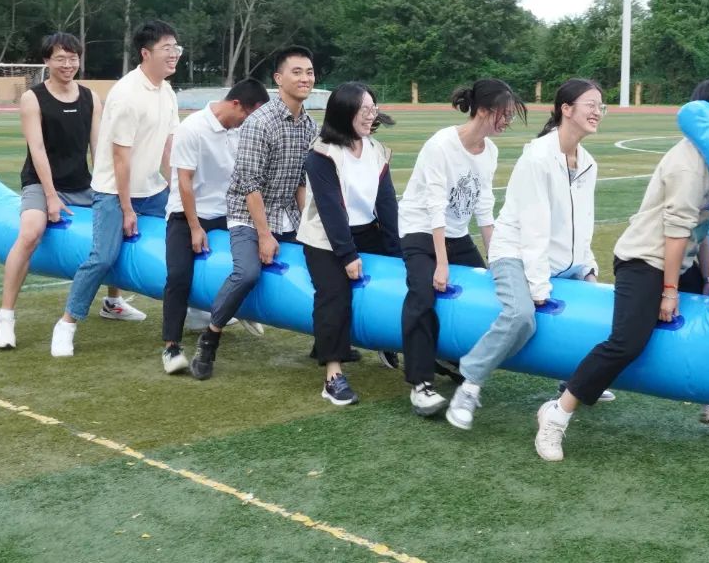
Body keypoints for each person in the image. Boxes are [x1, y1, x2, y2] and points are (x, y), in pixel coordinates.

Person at [534, 71, 709, 462]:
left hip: (681, 258)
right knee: (628, 341)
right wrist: (670, 291)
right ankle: (557, 413)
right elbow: (676, 231)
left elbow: (704, 226)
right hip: (644, 260)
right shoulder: (687, 163)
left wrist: (708, 278)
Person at [445, 78, 604, 430]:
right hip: (515, 253)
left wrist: (587, 267)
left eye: (600, 106)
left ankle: (575, 380)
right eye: (591, 105)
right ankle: (469, 384)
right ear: (566, 109)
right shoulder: (538, 157)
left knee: (596, 311)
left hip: (560, 260)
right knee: (521, 316)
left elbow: (584, 221)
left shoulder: (588, 162)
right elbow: (533, 228)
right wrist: (538, 285)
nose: (597, 112)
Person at [0, 32, 133, 349]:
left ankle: (113, 302)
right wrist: (51, 197)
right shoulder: (33, 98)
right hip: (40, 183)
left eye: (73, 58)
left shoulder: (90, 98)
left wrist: (111, 190)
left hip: (82, 184)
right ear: (47, 61)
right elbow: (37, 150)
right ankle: (5, 317)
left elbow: (99, 148)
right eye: (60, 58)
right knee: (30, 233)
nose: (67, 64)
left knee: (116, 227)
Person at [50, 20, 180, 357]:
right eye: (167, 49)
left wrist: (177, 193)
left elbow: (169, 149)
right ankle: (67, 323)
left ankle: (195, 309)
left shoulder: (167, 92)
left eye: (176, 48)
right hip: (113, 190)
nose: (174, 54)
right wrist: (126, 209)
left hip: (152, 189)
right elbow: (120, 158)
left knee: (184, 237)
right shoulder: (127, 94)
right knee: (104, 255)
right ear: (145, 53)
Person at [189, 46, 318, 380]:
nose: (305, 78)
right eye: (296, 72)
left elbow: (301, 183)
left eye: (309, 72)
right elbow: (249, 185)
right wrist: (264, 235)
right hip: (248, 214)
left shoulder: (309, 126)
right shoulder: (259, 123)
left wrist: (309, 228)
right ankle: (211, 337)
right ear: (278, 79)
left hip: (287, 213)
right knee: (247, 273)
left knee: (322, 265)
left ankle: (326, 342)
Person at [398, 78, 525, 416]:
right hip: (420, 229)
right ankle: (420, 384)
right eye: (504, 114)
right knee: (423, 293)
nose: (508, 121)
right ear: (483, 110)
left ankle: (451, 356)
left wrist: (498, 259)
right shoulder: (441, 145)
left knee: (486, 288)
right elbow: (434, 205)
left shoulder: (490, 152)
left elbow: (484, 207)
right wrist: (441, 263)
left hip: (455, 233)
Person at [297, 82, 401, 405]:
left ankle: (388, 341)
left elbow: (387, 204)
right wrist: (347, 255)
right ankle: (333, 374)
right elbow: (331, 209)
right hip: (326, 238)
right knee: (334, 293)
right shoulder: (322, 154)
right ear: (344, 113)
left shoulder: (376, 151)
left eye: (373, 108)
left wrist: (397, 252)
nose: (371, 115)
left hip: (366, 230)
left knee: (400, 280)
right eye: (364, 110)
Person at [160, 79, 269, 374]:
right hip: (187, 212)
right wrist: (196, 227)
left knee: (257, 259)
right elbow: (184, 182)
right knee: (179, 275)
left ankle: (239, 306)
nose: (248, 123)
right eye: (248, 115)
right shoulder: (192, 129)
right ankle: (171, 346)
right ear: (235, 104)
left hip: (229, 211)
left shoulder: (243, 130)